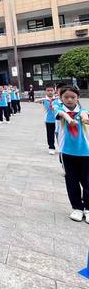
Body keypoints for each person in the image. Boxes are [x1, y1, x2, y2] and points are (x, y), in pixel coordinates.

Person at [54, 86, 89, 222]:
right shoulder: (60, 110)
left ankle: (88, 207)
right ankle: (77, 208)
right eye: (66, 97)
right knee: (72, 180)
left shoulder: (83, 111)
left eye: (72, 97)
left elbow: (84, 115)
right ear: (61, 98)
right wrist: (70, 120)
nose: (69, 99)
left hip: (85, 152)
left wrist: (85, 119)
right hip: (67, 152)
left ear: (77, 98)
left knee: (87, 181)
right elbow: (63, 115)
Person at [35, 84, 57, 155]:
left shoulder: (57, 99)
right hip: (49, 120)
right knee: (50, 134)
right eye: (48, 90)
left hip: (58, 120)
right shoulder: (45, 100)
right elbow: (35, 101)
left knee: (59, 134)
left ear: (54, 91)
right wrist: (45, 99)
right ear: (45, 91)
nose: (50, 92)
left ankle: (62, 147)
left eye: (51, 90)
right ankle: (51, 147)